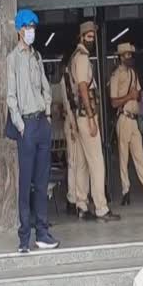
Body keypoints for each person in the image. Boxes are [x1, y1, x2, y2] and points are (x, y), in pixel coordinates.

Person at [6, 8, 61, 253]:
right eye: (28, 27)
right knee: (25, 181)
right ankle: (24, 237)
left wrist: (47, 114)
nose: (31, 31)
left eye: (33, 27)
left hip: (41, 123)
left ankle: (42, 233)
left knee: (41, 181)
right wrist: (20, 124)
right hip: (26, 126)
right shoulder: (13, 59)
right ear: (19, 30)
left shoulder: (37, 56)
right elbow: (11, 96)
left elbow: (45, 88)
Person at [69, 21, 121, 222]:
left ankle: (81, 205)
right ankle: (101, 208)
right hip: (86, 115)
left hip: (80, 116)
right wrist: (91, 118)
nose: (92, 40)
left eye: (93, 36)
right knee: (97, 162)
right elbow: (83, 88)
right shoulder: (81, 58)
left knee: (82, 163)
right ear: (81, 37)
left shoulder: (77, 57)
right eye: (88, 36)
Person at [109, 42, 143, 205]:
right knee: (123, 157)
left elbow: (138, 95)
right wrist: (129, 97)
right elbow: (114, 102)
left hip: (133, 119)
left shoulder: (133, 74)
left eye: (130, 54)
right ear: (121, 57)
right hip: (123, 117)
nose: (129, 57)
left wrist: (135, 96)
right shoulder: (116, 75)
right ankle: (125, 191)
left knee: (140, 156)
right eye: (127, 55)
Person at [60, 47, 83, 216]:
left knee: (79, 162)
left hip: (76, 121)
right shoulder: (66, 80)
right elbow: (68, 105)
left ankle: (77, 197)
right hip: (72, 122)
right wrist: (74, 127)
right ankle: (72, 198)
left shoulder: (72, 78)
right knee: (73, 162)